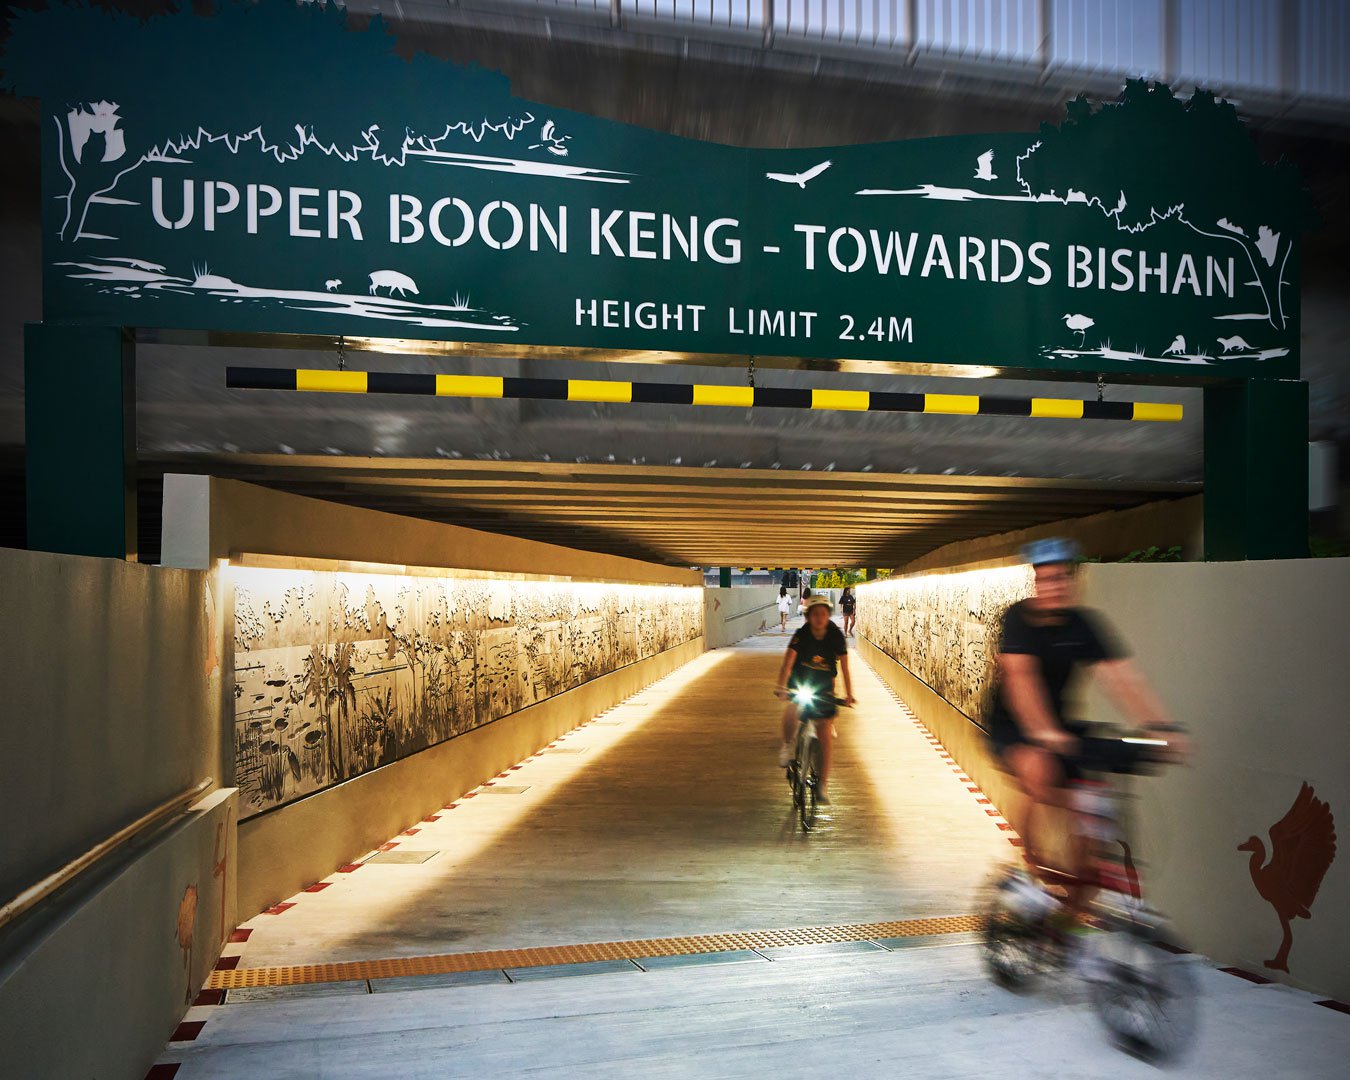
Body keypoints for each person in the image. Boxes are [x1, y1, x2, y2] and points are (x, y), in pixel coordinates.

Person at [988, 537, 1187, 911]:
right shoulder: (1019, 619)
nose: (1054, 587)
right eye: (1045, 580)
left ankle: (1077, 906)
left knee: (1093, 793)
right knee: (1039, 767)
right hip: (1014, 726)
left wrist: (1162, 727)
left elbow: (1122, 678)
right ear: (1035, 583)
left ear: (1075, 581)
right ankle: (1027, 864)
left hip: (1063, 726)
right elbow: (1021, 679)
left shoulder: (1084, 625)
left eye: (1062, 578)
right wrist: (1042, 732)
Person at [775, 594, 855, 804]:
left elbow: (845, 667)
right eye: (815, 614)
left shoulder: (835, 636)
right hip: (800, 680)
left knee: (825, 733)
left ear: (828, 615)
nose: (820, 618)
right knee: (794, 706)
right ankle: (787, 744)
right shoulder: (801, 635)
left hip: (824, 684)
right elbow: (788, 662)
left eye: (823, 614)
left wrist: (849, 694)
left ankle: (823, 785)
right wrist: (781, 686)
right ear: (809, 617)